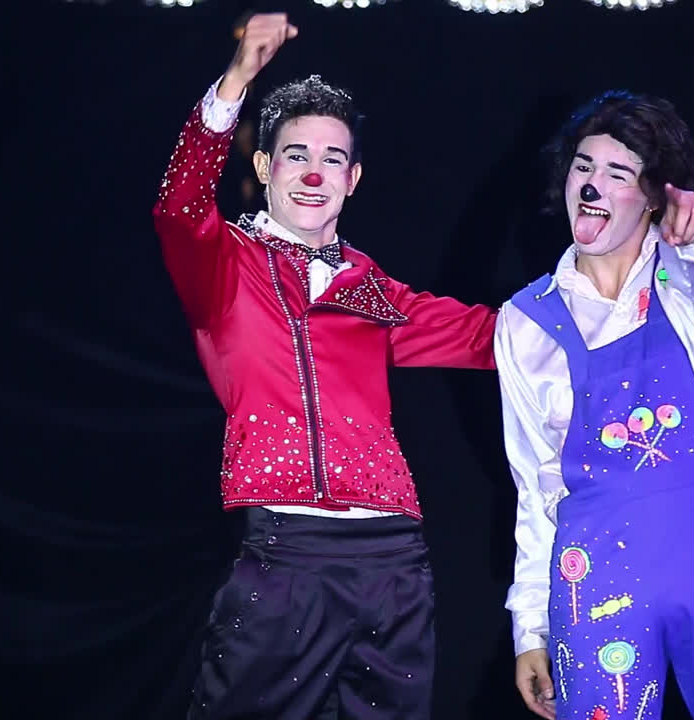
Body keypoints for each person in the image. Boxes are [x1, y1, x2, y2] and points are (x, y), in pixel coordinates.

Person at [152, 14, 497, 720]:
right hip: (286, 555)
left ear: (353, 178)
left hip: (394, 559)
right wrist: (236, 81)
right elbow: (180, 207)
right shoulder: (226, 266)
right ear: (264, 168)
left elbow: (492, 338)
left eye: (333, 158)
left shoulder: (371, 289)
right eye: (296, 154)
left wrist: (615, 284)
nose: (314, 173)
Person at [495, 90, 694, 719]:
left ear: (651, 196)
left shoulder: (689, 279)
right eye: (583, 167)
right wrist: (529, 625)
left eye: (618, 173)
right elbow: (534, 482)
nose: (592, 184)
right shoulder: (525, 320)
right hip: (596, 569)